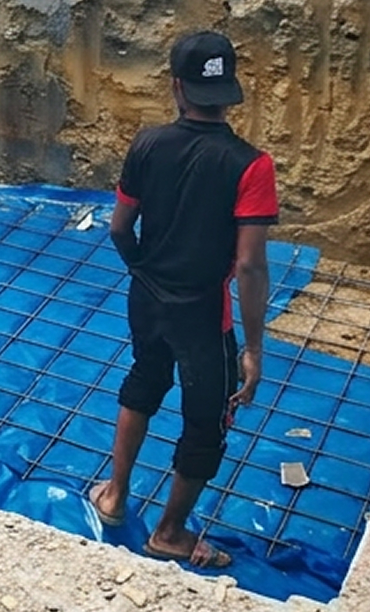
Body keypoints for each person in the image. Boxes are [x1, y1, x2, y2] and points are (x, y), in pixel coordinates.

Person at [89, 30, 276, 569]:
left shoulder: (147, 144)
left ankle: (116, 497)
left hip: (145, 299)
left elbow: (121, 227)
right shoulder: (251, 166)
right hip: (203, 315)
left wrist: (144, 272)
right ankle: (170, 533)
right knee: (206, 421)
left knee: (143, 381)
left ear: (177, 87)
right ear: (229, 91)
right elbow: (248, 264)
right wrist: (254, 348)